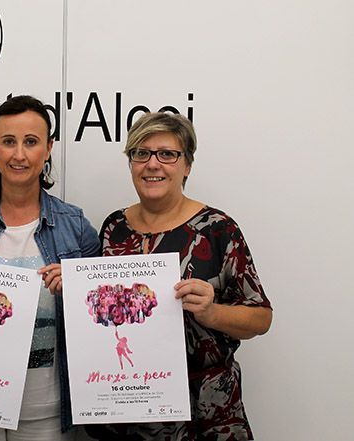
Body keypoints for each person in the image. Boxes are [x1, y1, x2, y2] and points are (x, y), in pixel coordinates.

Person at [87, 112, 272, 441]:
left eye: (167, 154)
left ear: (187, 165)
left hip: (205, 414)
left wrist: (212, 313)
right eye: (141, 153)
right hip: (127, 407)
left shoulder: (218, 229)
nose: (152, 164)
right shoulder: (115, 227)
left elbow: (261, 318)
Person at [0, 95, 100, 440]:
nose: (19, 155)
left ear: (49, 148)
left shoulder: (75, 225)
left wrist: (78, 287)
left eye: (31, 142)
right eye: (9, 142)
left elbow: (100, 316)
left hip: (47, 407)